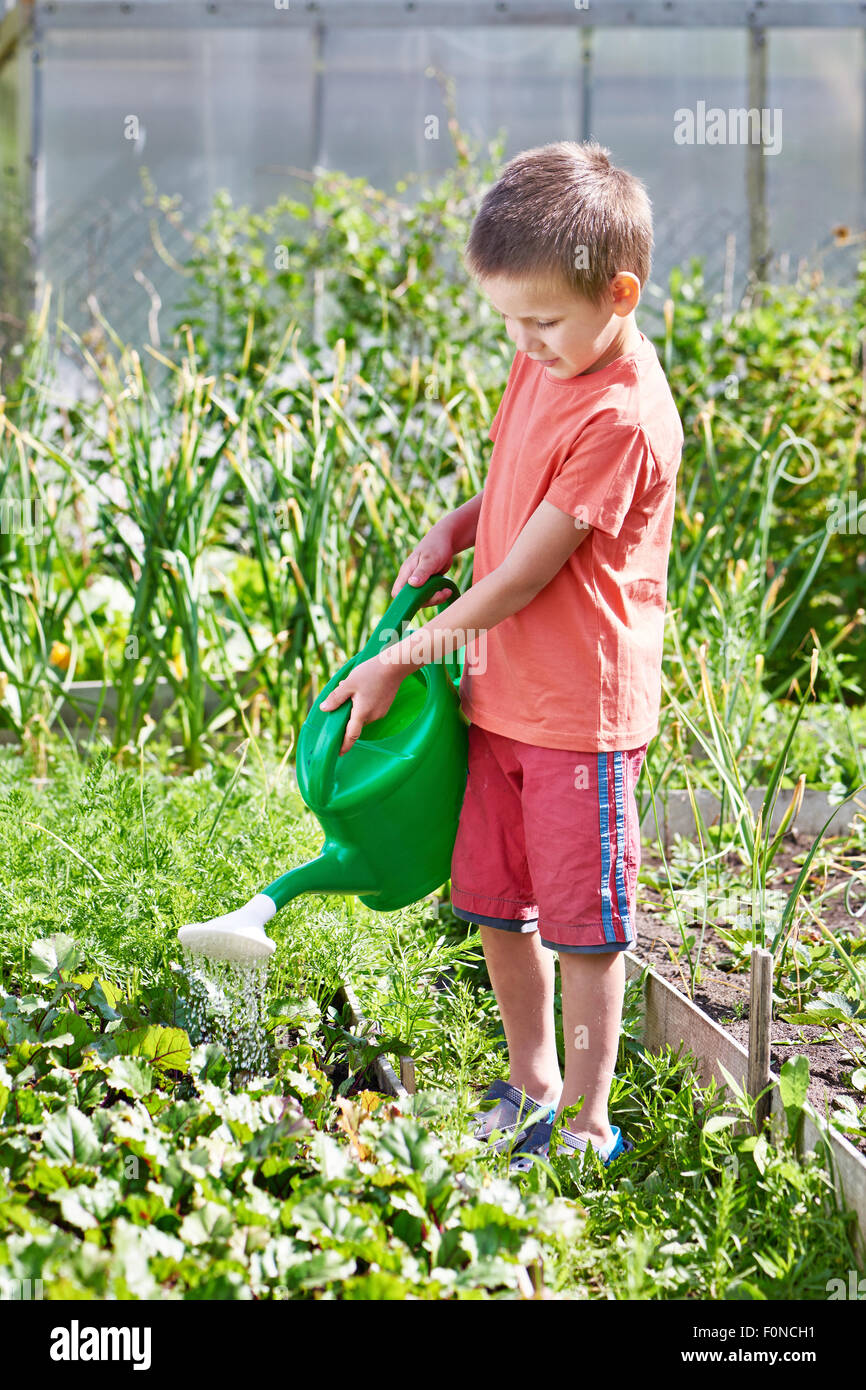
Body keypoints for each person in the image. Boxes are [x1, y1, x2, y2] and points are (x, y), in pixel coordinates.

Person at [320, 139, 684, 1170]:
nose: (522, 343)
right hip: (502, 702)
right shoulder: (547, 363)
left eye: (540, 321)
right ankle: (528, 1079)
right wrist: (456, 522)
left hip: (578, 714)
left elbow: (527, 575)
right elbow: (519, 488)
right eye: (507, 322)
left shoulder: (623, 412)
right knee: (493, 902)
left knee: (582, 929)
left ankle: (584, 1120)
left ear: (618, 292)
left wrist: (402, 657)